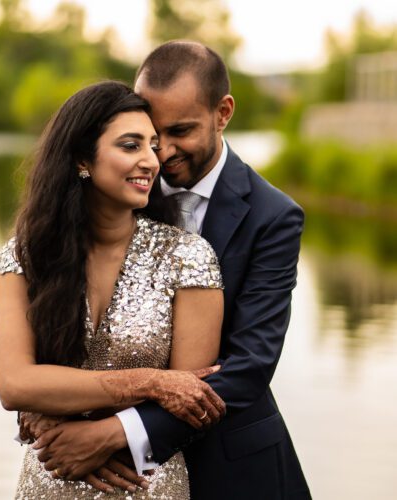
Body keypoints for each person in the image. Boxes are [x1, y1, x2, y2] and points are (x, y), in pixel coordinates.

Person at [25, 41, 312, 499]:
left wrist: (116, 435)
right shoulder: (117, 188)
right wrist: (41, 408)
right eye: (155, 135)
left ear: (223, 113)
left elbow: (249, 367)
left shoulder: (273, 216)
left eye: (181, 131)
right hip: (107, 476)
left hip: (230, 464)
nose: (163, 153)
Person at [0, 80, 227, 498]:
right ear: (83, 157)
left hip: (144, 480)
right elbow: (13, 384)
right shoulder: (27, 255)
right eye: (130, 145)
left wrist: (88, 433)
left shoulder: (188, 256)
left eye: (152, 146)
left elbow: (190, 399)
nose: (152, 161)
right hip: (52, 475)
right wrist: (152, 382)